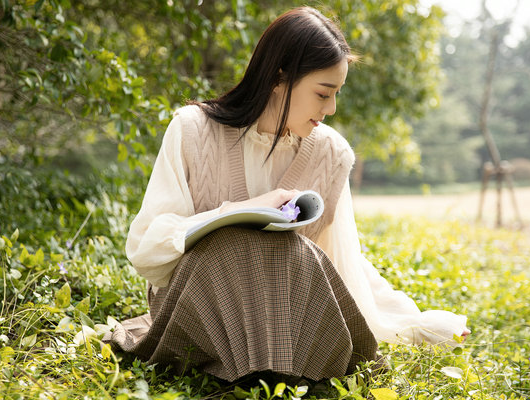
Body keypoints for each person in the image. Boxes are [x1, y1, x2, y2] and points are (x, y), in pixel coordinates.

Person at [106, 7, 470, 382]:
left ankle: (272, 375)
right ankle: (269, 375)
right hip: (204, 301)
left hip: (286, 309)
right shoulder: (193, 130)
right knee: (235, 246)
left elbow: (341, 263)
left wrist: (413, 324)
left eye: (336, 95)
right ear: (280, 77)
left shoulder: (331, 153)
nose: (330, 109)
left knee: (293, 253)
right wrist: (238, 210)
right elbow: (147, 249)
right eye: (322, 93)